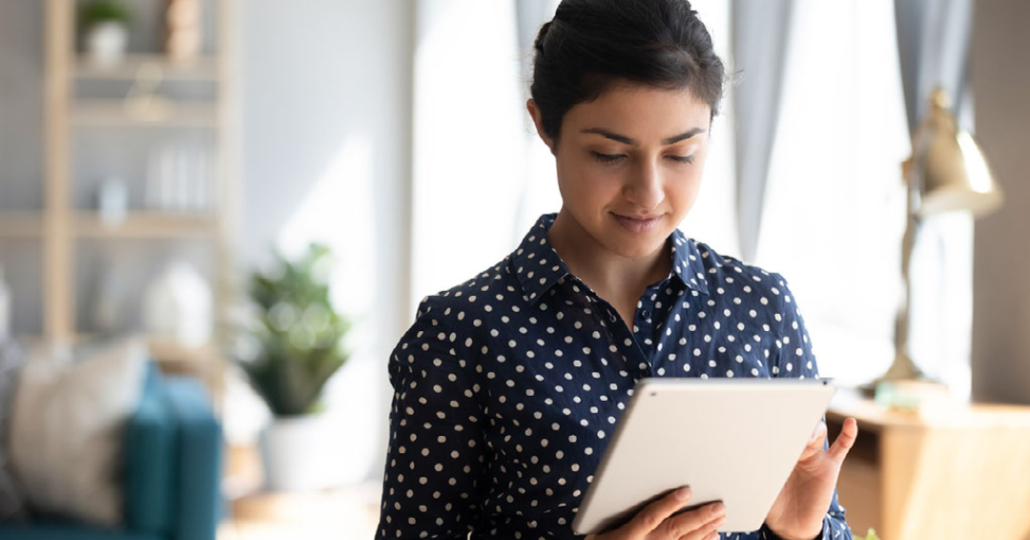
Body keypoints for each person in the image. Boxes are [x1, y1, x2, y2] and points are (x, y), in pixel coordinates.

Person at [375, 0, 859, 538]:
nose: (648, 193)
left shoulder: (762, 308)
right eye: (609, 154)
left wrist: (803, 530)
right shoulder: (460, 334)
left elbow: (822, 525)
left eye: (680, 154)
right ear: (544, 126)